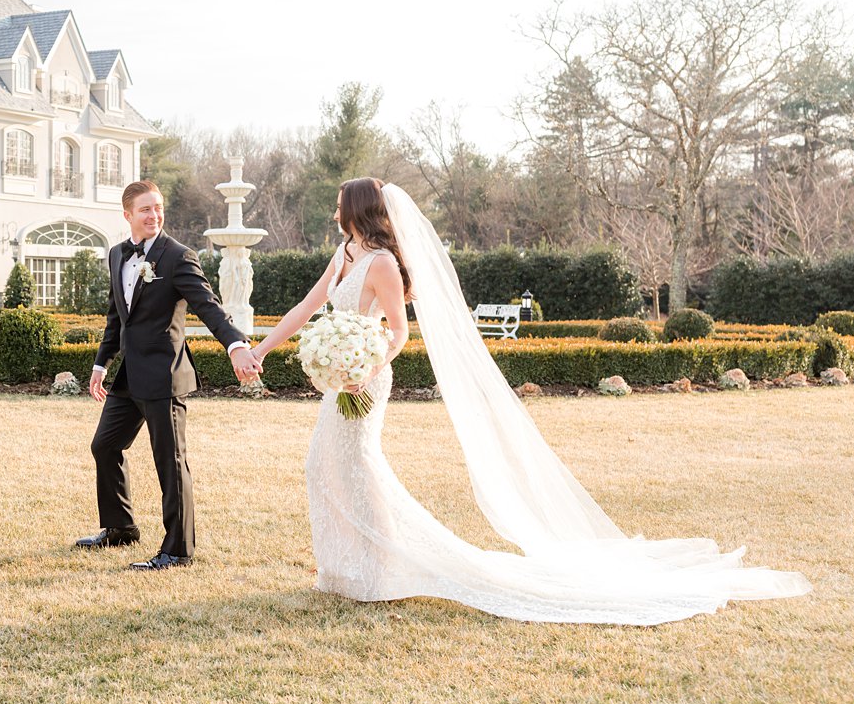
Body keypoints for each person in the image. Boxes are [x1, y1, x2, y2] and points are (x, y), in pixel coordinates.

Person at [248, 176, 812, 624]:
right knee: (324, 465)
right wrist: (264, 347)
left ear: (358, 209)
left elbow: (397, 332)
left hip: (367, 379)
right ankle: (345, 568)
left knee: (358, 466)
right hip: (342, 377)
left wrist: (365, 364)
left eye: (341, 204)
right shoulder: (345, 253)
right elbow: (306, 307)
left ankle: (378, 570)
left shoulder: (384, 264)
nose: (335, 211)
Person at [75, 180, 262, 570]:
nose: (154, 215)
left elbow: (208, 306)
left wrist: (235, 344)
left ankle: (177, 550)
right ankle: (120, 528)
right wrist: (100, 364)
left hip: (165, 375)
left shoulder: (177, 256)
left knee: (171, 463)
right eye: (145, 209)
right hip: (129, 377)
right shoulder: (116, 255)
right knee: (105, 446)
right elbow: (116, 317)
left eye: (158, 207)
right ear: (127, 214)